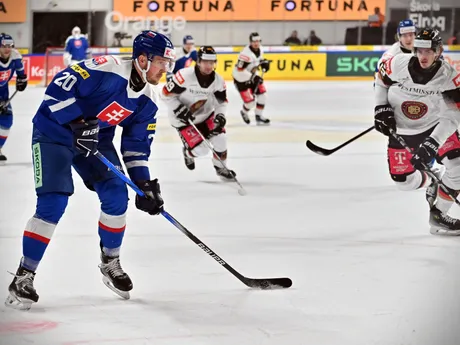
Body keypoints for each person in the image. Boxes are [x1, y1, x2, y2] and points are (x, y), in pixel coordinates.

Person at [5, 30, 175, 311]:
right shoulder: (106, 70)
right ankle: (24, 275)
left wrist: (144, 184)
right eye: (161, 62)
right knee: (53, 202)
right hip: (53, 133)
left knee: (117, 195)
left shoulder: (148, 101)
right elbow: (58, 87)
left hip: (95, 142)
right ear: (143, 60)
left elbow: (136, 147)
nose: (165, 68)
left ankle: (110, 261)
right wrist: (77, 121)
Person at [374, 28, 460, 235]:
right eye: (420, 50)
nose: (423, 56)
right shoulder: (397, 63)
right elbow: (381, 81)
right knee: (403, 183)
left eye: (429, 51)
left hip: (434, 125)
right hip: (402, 130)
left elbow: (453, 116)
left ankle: (439, 214)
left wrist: (433, 142)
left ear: (438, 51)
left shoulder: (449, 76)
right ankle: (433, 179)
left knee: (458, 167)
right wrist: (381, 108)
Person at [161, 46, 235, 180]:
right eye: (205, 61)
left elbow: (221, 102)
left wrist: (220, 115)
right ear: (199, 61)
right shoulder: (184, 76)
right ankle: (188, 153)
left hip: (206, 115)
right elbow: (165, 94)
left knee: (221, 140)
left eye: (212, 62)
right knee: (201, 150)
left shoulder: (218, 80)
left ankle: (220, 167)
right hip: (183, 120)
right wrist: (178, 108)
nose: (209, 65)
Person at [0, 33, 28, 163]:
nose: (7, 49)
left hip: (3, 94)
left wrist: (22, 81)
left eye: (10, 45)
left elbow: (22, 76)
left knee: (6, 122)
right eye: (4, 45)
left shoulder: (15, 56)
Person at [232, 32, 271, 125]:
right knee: (250, 103)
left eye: (258, 41)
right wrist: (253, 77)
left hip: (253, 76)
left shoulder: (261, 49)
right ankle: (244, 112)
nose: (256, 43)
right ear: (250, 42)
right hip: (241, 79)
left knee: (263, 97)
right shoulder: (245, 54)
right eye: (254, 41)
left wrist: (264, 63)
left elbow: (259, 60)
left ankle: (259, 116)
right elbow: (240, 70)